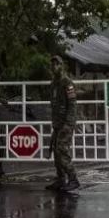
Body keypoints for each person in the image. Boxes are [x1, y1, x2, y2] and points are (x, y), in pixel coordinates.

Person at [47, 55, 80, 192]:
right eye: (53, 64)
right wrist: (55, 123)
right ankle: (61, 179)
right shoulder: (53, 84)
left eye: (57, 64)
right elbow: (54, 105)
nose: (55, 67)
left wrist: (69, 123)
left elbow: (72, 105)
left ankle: (73, 179)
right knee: (56, 151)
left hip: (66, 123)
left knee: (62, 150)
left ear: (62, 66)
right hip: (57, 123)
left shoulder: (67, 82)